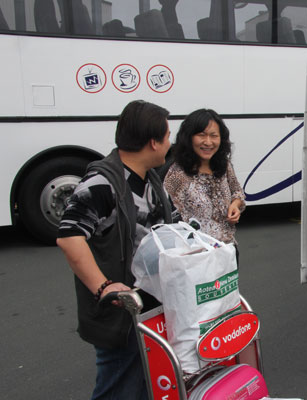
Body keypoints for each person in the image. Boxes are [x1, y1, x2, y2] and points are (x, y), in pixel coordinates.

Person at [56, 100, 177, 400]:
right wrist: (105, 287)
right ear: (153, 142)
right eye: (167, 136)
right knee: (118, 388)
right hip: (122, 311)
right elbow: (70, 237)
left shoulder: (151, 180)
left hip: (150, 306)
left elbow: (174, 226)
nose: (169, 143)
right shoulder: (102, 183)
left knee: (144, 383)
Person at [164, 108, 245, 251]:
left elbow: (237, 191)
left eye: (214, 136)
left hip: (227, 250)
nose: (208, 142)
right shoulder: (178, 174)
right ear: (189, 137)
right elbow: (169, 219)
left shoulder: (223, 165)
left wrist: (235, 205)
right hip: (197, 255)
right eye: (202, 135)